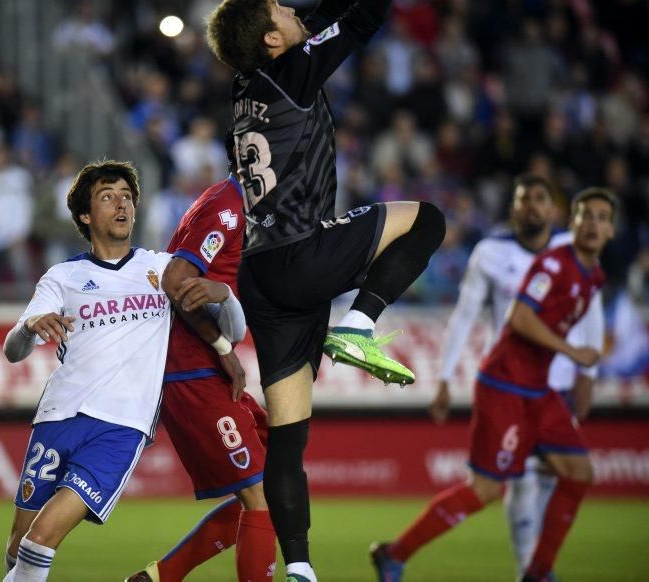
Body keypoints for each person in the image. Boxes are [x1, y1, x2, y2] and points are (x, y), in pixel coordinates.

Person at [206, 2, 446, 580]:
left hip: (260, 277)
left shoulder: (247, 82)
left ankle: (301, 570)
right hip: (300, 253)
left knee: (288, 442)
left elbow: (317, 14)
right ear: (272, 38)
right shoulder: (292, 71)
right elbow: (363, 18)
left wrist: (304, 15)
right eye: (281, 10)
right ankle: (360, 324)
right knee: (428, 220)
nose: (294, 8)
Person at [0, 160, 245, 582]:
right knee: (18, 547)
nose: (121, 205)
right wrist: (28, 326)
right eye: (107, 197)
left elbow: (233, 331)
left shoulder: (162, 268)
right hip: (57, 418)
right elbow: (13, 350)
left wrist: (225, 295)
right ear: (84, 215)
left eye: (127, 197)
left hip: (121, 425)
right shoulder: (62, 277)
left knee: (41, 539)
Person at [372, 188, 617, 582]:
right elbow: (520, 319)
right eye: (585, 216)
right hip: (505, 387)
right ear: (571, 224)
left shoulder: (594, 276)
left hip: (538, 392)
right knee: (487, 489)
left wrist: (583, 374)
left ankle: (538, 572)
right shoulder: (553, 265)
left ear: (612, 231)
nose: (592, 224)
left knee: (579, 471)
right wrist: (572, 354)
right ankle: (394, 553)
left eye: (602, 218)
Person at [430, 174, 604, 576]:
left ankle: (537, 567)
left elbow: (591, 309)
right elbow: (464, 316)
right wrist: (443, 376)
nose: (531, 207)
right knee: (521, 481)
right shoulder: (490, 252)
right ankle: (530, 567)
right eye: (523, 199)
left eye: (539, 199)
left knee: (554, 478)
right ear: (513, 208)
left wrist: (588, 373)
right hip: (514, 382)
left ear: (553, 209)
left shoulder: (571, 248)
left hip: (559, 381)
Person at [127, 174, 276, 582]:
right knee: (260, 496)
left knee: (279, 487)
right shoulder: (228, 208)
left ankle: (158, 578)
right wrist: (225, 349)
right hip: (192, 368)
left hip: (202, 365)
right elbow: (176, 281)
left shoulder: (238, 207)